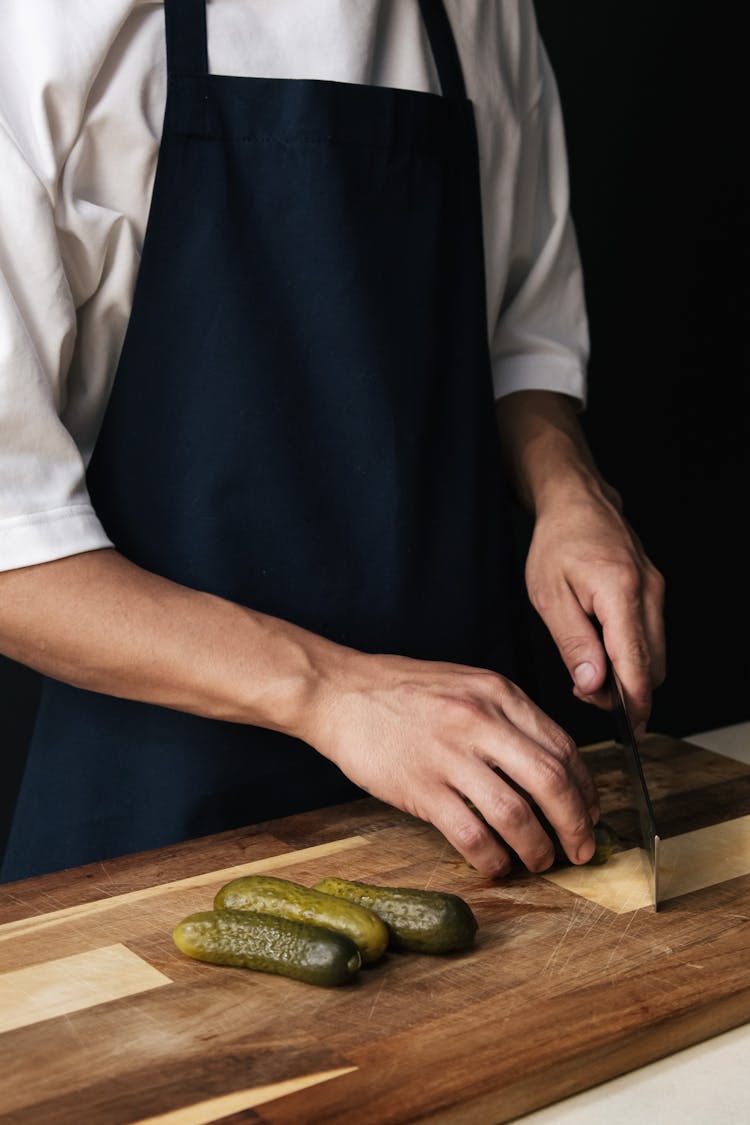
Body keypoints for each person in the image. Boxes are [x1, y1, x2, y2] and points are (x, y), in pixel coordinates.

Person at [0, 0, 664, 884]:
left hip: (475, 802)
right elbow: (14, 538)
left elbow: (521, 338)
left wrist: (570, 490)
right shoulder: (53, 29)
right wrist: (332, 690)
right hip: (161, 827)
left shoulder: (485, 14)